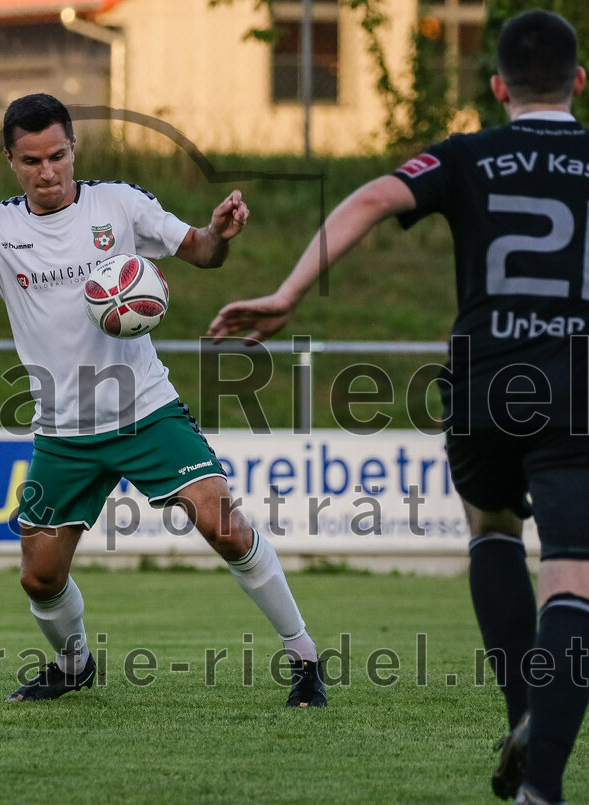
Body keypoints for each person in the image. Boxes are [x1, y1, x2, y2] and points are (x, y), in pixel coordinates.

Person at [209, 10, 587, 804]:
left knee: (491, 526)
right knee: (573, 579)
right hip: (577, 386)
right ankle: (541, 782)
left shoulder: (468, 152)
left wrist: (287, 292)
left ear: (497, 87)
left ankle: (523, 709)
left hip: (485, 382)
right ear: (579, 81)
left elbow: (375, 199)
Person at [0, 93, 327, 708]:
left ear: (73, 149)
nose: (47, 171)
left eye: (57, 155)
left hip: (146, 412)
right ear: (10, 160)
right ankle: (73, 665)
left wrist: (219, 232)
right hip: (63, 432)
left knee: (225, 526)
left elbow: (201, 252)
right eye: (31, 161)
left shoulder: (120, 205)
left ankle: (305, 660)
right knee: (39, 576)